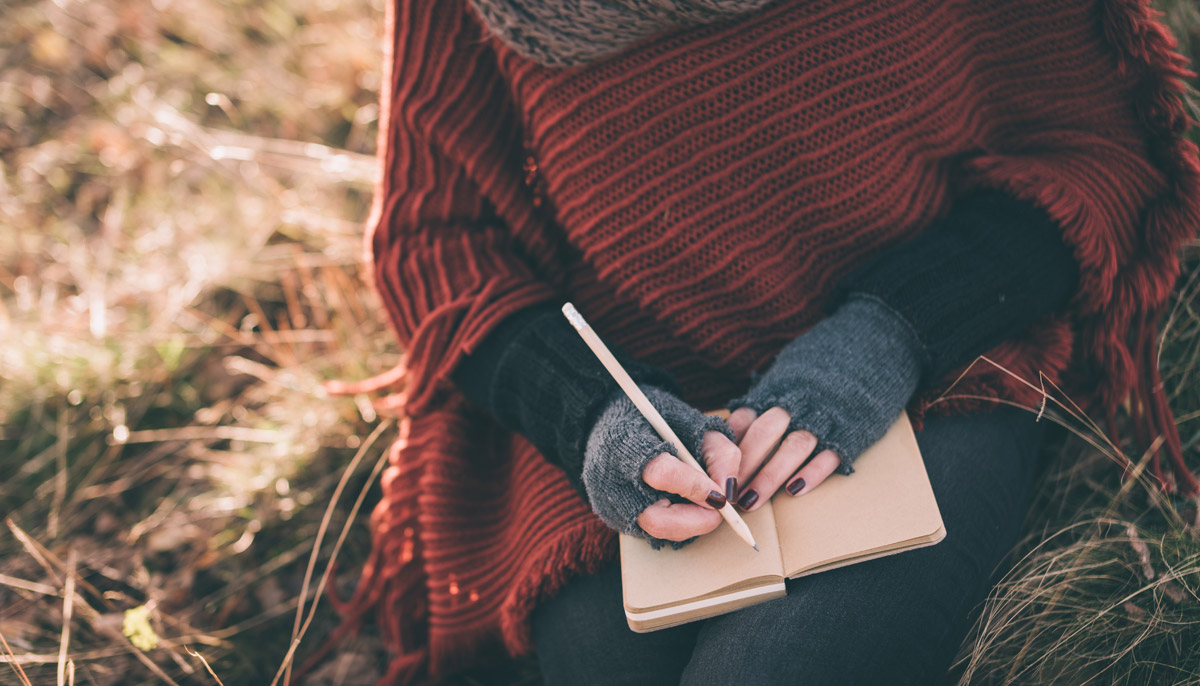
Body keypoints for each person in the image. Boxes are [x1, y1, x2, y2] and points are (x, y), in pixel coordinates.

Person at [328, 0, 1200, 683]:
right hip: (625, 426)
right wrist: (589, 413)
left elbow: (1095, 149)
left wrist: (885, 335)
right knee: (612, 667)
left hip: (931, 373)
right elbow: (433, 241)